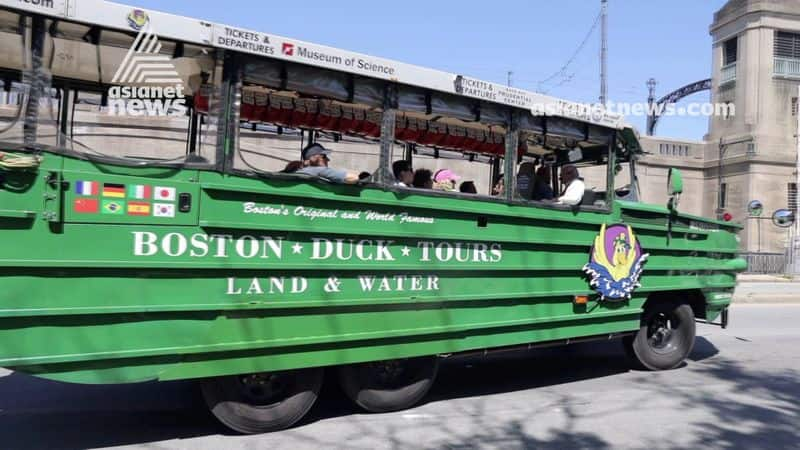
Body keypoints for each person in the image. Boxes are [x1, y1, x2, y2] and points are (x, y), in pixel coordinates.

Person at [296, 143, 360, 184]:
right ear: (313, 158)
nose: (328, 159)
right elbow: (354, 178)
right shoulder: (321, 170)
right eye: (324, 156)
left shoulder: (299, 170)